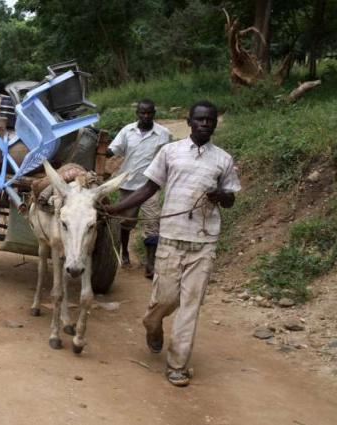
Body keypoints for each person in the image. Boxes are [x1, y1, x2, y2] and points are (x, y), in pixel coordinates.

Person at [104, 100, 241, 387]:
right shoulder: (170, 152)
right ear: (189, 122)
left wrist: (221, 196)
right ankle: (152, 325)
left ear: (215, 124)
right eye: (200, 119)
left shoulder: (223, 160)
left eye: (210, 120)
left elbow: (231, 199)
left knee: (190, 305)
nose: (205, 124)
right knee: (165, 299)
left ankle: (177, 364)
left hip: (204, 242)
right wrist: (116, 210)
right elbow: (148, 188)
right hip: (171, 238)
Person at [106, 99, 172, 278]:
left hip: (150, 187)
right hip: (128, 185)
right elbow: (113, 150)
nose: (146, 116)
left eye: (149, 113)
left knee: (152, 223)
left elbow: (167, 159)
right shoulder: (127, 131)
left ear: (154, 113)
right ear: (137, 113)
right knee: (125, 223)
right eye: (142, 113)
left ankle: (150, 264)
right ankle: (124, 252)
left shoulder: (163, 134)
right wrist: (100, 147)